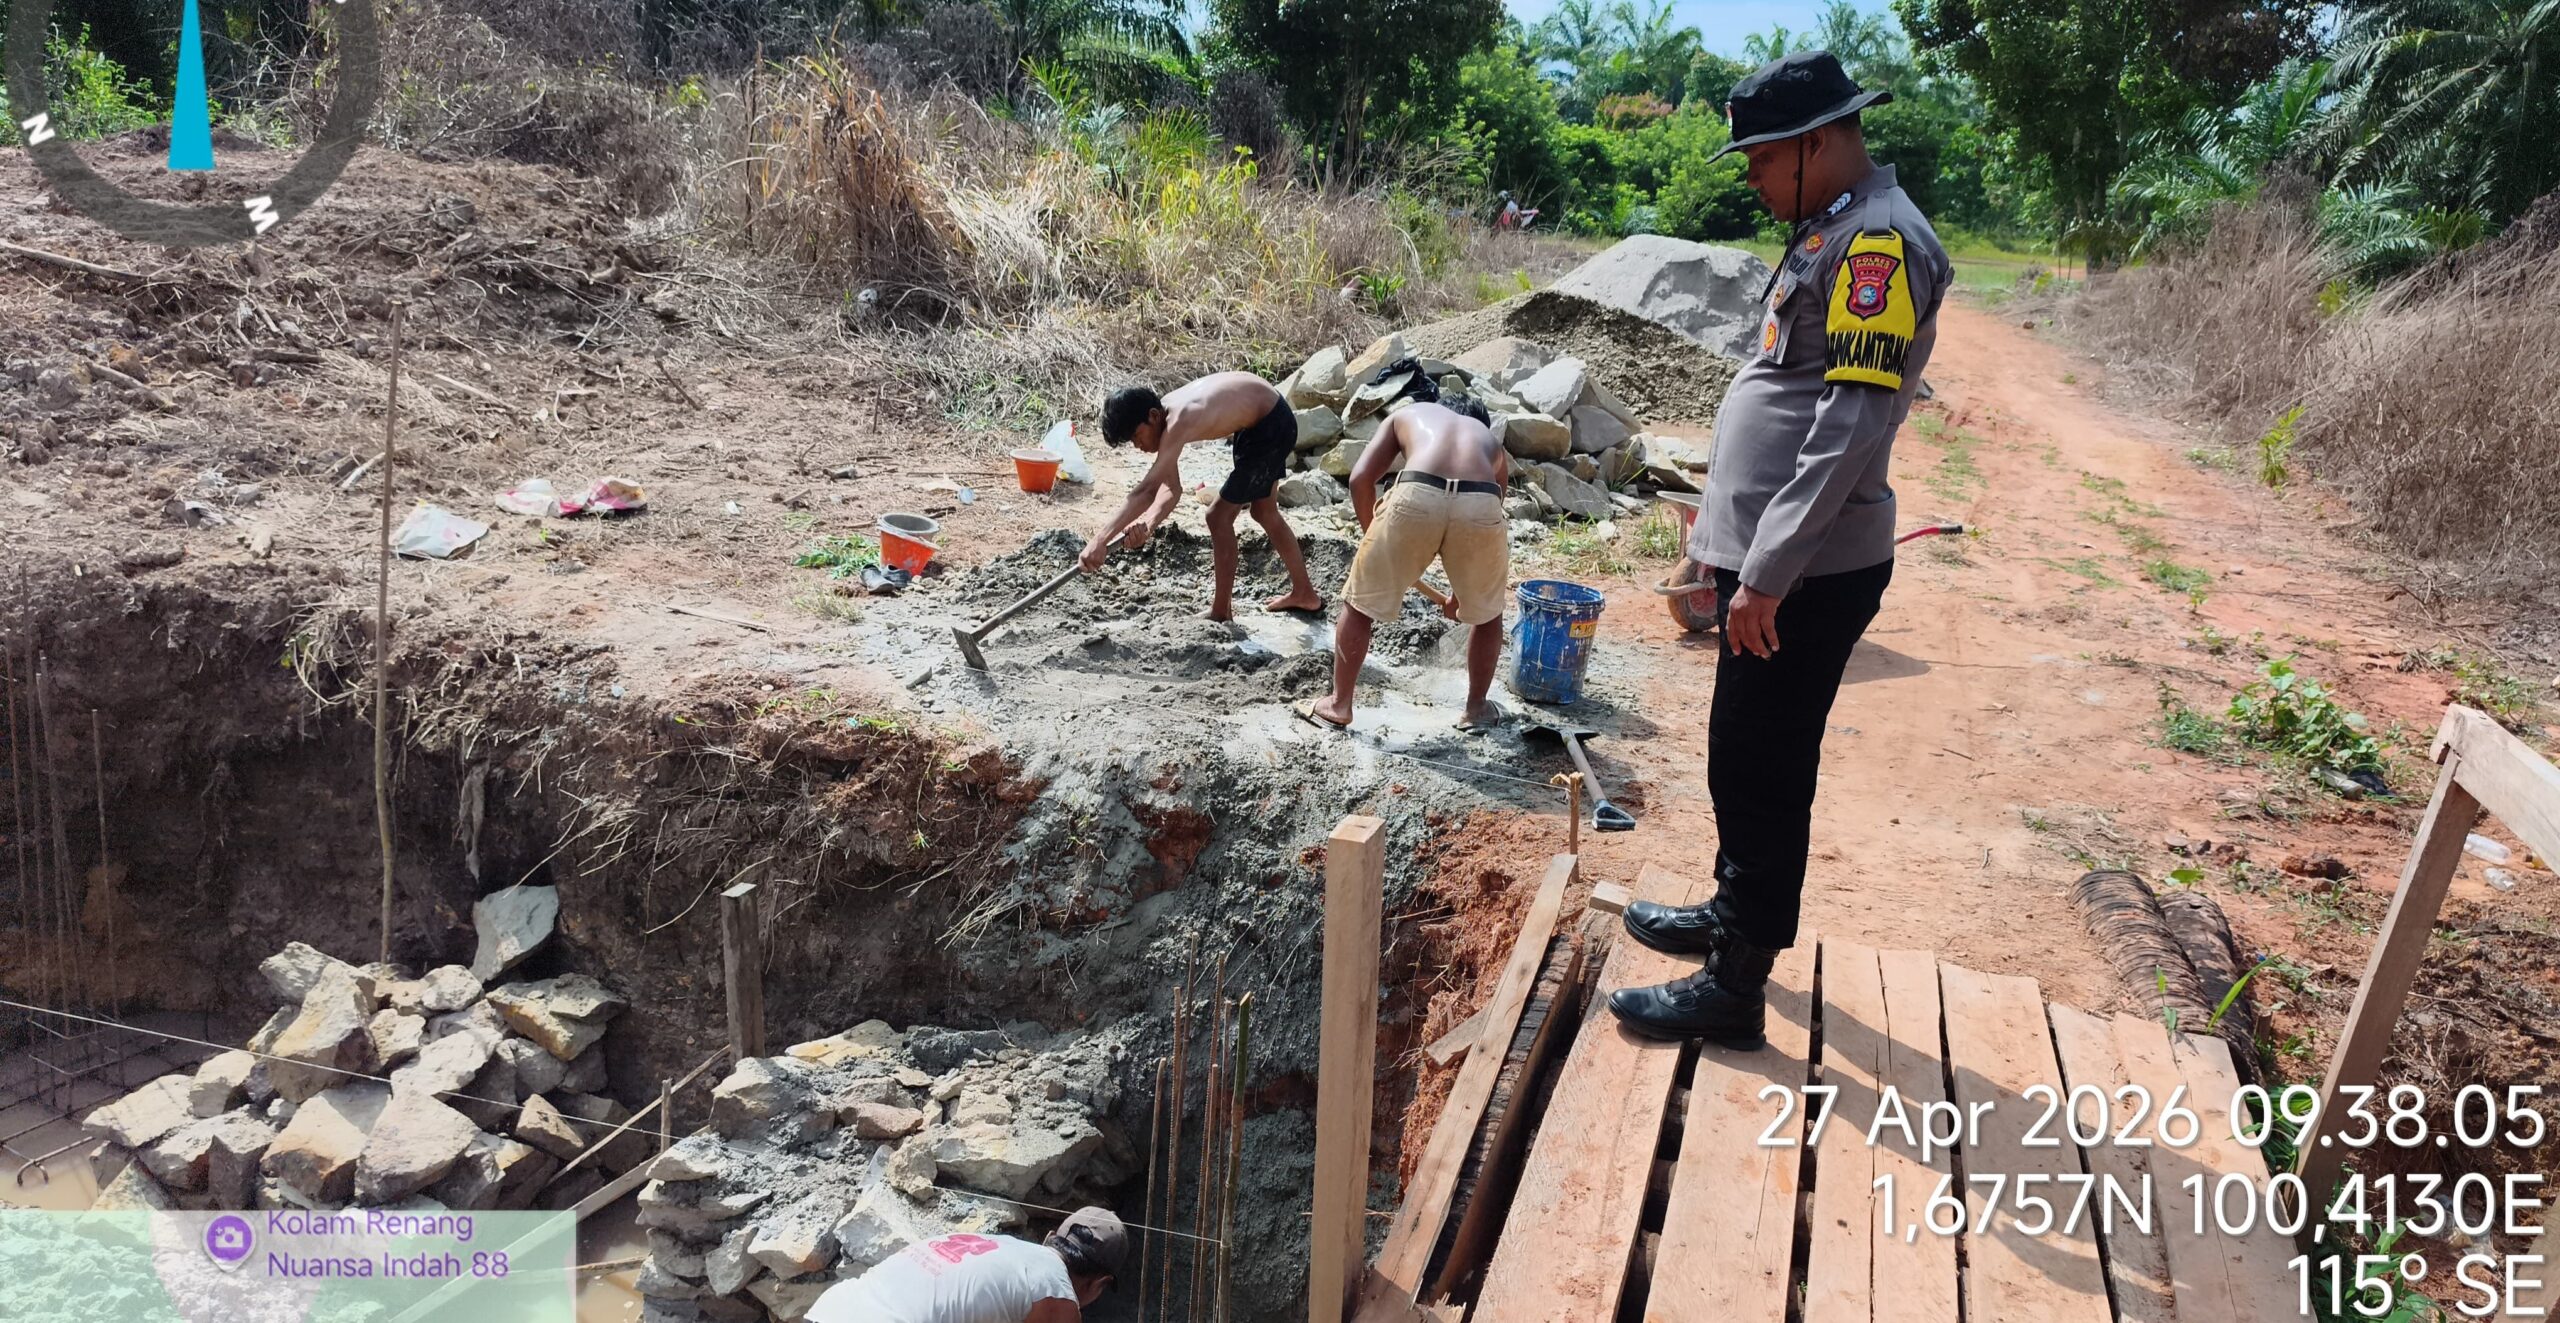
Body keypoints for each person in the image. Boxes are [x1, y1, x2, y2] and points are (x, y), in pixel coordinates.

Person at [1607, 50, 1951, 1049]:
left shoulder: (1879, 245)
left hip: (1806, 568)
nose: (1750, 178)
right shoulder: (1833, 228)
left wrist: (1765, 572)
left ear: (1814, 143)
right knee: (1740, 759)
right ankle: (1732, 918)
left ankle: (1732, 987)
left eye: (1759, 159)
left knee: (1761, 767)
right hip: (1780, 563)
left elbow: (1845, 426)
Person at [1306, 370, 1511, 731]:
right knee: (1488, 615)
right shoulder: (1489, 441)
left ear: (1439, 408)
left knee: (1360, 603)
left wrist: (1373, 533)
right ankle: (1476, 708)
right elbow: (1491, 504)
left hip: (1417, 492)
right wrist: (1463, 596)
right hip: (1481, 501)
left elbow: (1360, 479)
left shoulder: (1409, 414)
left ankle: (1339, 705)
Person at [1086, 372, 1324, 621]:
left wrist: (1099, 541)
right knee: (1264, 511)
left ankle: (1221, 611)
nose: (1137, 446)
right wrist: (1148, 525)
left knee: (1218, 517)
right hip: (1258, 422)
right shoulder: (1164, 415)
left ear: (1153, 416)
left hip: (1271, 425)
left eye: (1136, 436)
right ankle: (1305, 594)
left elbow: (1147, 491)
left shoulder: (1180, 420)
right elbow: (1171, 489)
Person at [805, 1206, 1128, 1323]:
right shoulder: (1055, 1292)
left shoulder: (1002, 1248)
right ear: (1099, 1284)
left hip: (831, 1310)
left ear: (1048, 1239)